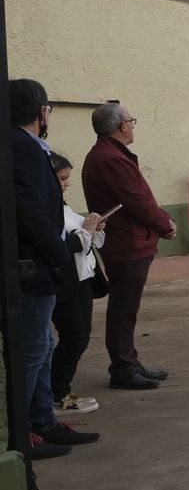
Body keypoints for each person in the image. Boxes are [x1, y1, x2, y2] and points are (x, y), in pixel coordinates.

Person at [10, 79, 100, 458]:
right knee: (32, 351)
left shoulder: (29, 146)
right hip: (33, 267)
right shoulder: (22, 147)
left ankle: (43, 422)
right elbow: (31, 212)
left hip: (38, 264)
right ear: (40, 111)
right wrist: (60, 254)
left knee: (44, 345)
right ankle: (23, 434)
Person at [82, 101, 176, 390]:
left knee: (126, 309)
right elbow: (138, 201)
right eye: (132, 121)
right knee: (123, 309)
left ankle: (130, 362)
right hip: (127, 242)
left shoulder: (109, 154)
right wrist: (165, 224)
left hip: (129, 240)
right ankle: (123, 368)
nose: (133, 126)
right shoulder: (111, 158)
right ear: (122, 126)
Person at [50, 152, 104, 416]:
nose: (67, 184)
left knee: (80, 337)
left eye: (67, 178)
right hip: (63, 281)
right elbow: (62, 245)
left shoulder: (62, 206)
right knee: (73, 337)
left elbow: (81, 238)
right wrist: (86, 231)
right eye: (62, 179)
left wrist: (92, 228)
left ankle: (59, 391)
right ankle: (56, 394)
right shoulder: (42, 210)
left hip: (81, 278)